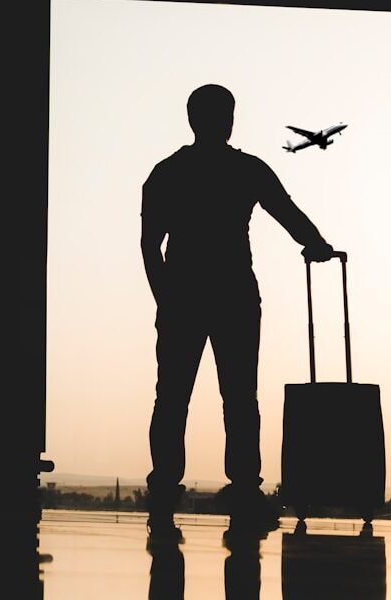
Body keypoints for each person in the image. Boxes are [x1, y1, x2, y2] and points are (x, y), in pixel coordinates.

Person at [141, 83, 334, 538]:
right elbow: (285, 211)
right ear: (229, 120)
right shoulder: (246, 169)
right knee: (240, 398)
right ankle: (244, 487)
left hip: (184, 295)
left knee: (172, 398)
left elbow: (151, 245)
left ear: (192, 120)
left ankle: (165, 486)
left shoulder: (167, 173)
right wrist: (317, 245)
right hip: (234, 296)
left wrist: (165, 298)